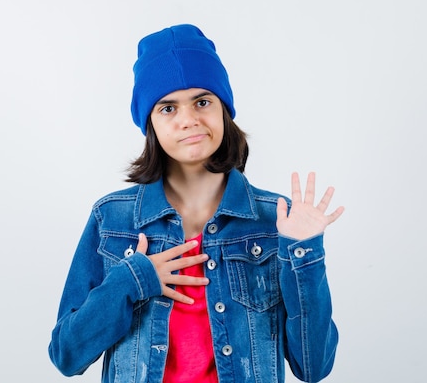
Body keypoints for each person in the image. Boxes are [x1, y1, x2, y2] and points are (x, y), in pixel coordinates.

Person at [48, 24, 344, 383]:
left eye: (202, 102)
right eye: (168, 108)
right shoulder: (112, 218)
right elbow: (67, 355)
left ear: (224, 110)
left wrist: (303, 253)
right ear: (150, 124)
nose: (189, 120)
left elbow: (313, 368)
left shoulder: (275, 219)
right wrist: (133, 280)